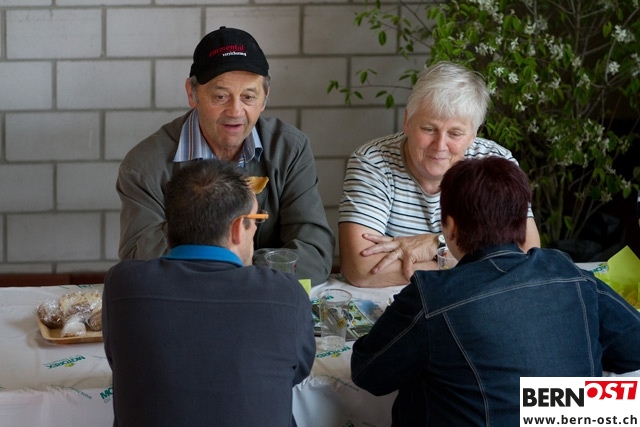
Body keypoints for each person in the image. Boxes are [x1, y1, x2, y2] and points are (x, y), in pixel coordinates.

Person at [350, 156, 640, 426]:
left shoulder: (432, 296)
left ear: (450, 228)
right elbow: (633, 348)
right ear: (522, 225)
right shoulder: (566, 272)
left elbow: (368, 373)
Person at [103, 159, 316, 426]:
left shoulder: (123, 284)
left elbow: (120, 361)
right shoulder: (285, 293)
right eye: (256, 220)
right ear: (238, 228)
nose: (255, 229)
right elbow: (296, 372)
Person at [117, 26, 334, 286]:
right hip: (191, 301)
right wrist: (257, 265)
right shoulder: (144, 165)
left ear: (265, 98)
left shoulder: (289, 149)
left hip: (257, 299)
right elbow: (140, 262)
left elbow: (314, 256)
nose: (235, 111)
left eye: (248, 97)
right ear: (192, 93)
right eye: (220, 96)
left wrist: (209, 266)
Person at [339, 61, 540, 288]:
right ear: (407, 121)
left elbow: (526, 255)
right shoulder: (372, 162)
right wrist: (466, 260)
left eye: (455, 133)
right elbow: (360, 269)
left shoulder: (495, 163)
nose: (440, 145)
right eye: (429, 129)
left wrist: (438, 244)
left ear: (474, 134)